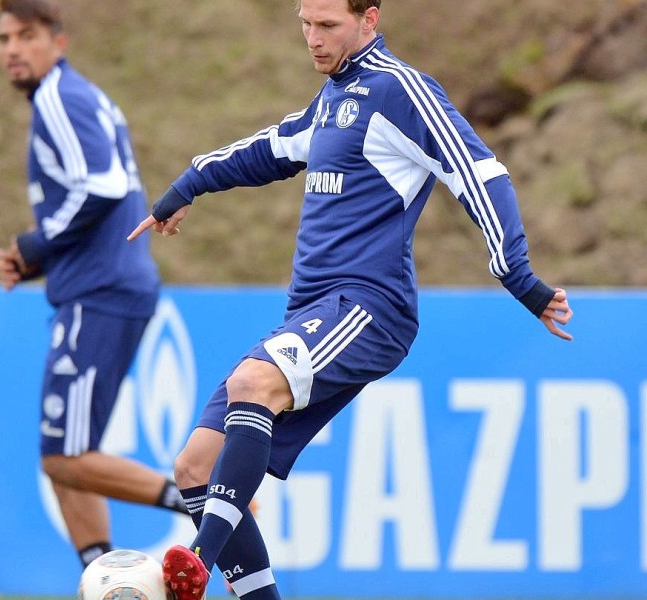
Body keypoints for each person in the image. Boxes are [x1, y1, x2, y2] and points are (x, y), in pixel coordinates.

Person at [129, 0, 573, 598]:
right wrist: (188, 185)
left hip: (370, 307)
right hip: (314, 310)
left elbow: (479, 173)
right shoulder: (334, 97)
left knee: (253, 384)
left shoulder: (400, 91)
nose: (313, 39)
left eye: (328, 26)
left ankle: (196, 562)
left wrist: (518, 275)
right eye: (305, 25)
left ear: (370, 18)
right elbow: (271, 148)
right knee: (195, 468)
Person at [0, 0, 188, 570]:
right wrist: (40, 259)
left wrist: (40, 241)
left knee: (65, 457)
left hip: (99, 293)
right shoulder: (73, 96)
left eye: (26, 36)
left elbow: (101, 186)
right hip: (100, 285)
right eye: (4, 38)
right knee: (64, 458)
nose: (11, 49)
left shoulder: (58, 95)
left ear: (59, 42)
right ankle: (102, 575)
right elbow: (101, 197)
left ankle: (205, 500)